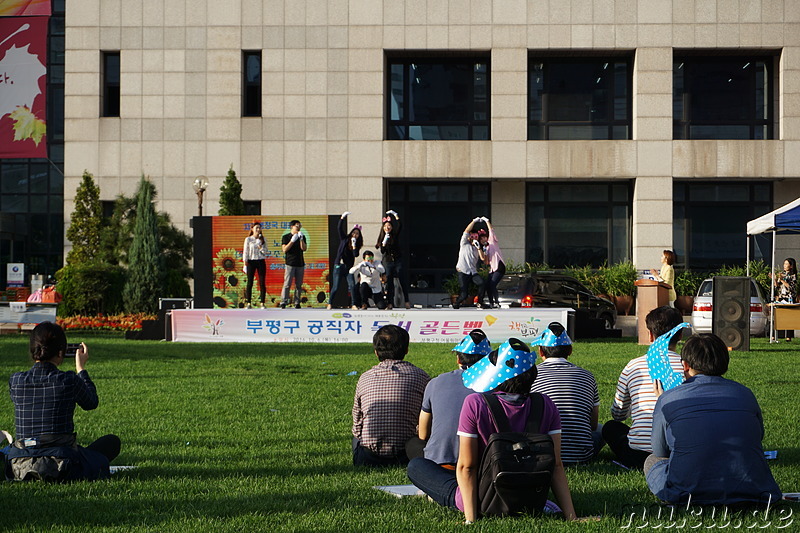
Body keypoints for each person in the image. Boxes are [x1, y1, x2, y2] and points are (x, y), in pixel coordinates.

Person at [407, 338, 577, 523]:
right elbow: (557, 465)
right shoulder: (546, 404)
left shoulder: (476, 403)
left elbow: (467, 467)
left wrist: (470, 520)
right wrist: (571, 516)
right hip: (530, 499)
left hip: (484, 500)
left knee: (417, 466)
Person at [645, 333, 782, 506]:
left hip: (686, 493)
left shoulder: (668, 399)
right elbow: (758, 436)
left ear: (685, 365)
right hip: (753, 490)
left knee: (652, 461)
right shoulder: (745, 394)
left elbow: (659, 451)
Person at [6, 322, 120, 481]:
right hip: (62, 465)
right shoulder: (68, 380)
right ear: (60, 352)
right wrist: (81, 369)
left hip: (20, 464)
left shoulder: (16, 380)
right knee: (111, 442)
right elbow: (91, 402)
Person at [603, 306, 683, 469]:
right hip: (677, 450)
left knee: (611, 427)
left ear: (651, 335)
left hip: (637, 454)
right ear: (680, 335)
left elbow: (618, 414)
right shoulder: (687, 366)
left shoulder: (633, 365)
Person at [406, 329, 492, 465]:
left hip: (440, 464)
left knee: (413, 444)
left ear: (458, 358)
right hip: (480, 463)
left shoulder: (435, 382)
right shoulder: (494, 386)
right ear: (487, 360)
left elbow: (423, 434)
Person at [352, 325, 430, 467]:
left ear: (376, 352)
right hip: (407, 454)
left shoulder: (365, 378)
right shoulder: (421, 377)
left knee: (356, 437)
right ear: (406, 349)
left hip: (369, 457)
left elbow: (357, 425)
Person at [530, 322, 602, 464]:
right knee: (602, 429)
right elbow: (593, 424)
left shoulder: (531, 376)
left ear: (541, 352)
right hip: (581, 455)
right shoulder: (587, 376)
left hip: (542, 453)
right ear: (569, 350)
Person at [375, 210, 411, 309]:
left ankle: (407, 301)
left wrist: (395, 215)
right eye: (386, 226)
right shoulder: (382, 238)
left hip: (398, 260)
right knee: (389, 282)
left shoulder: (395, 235)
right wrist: (384, 242)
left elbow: (400, 225)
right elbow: (382, 251)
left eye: (389, 225)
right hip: (388, 261)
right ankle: (390, 303)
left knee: (401, 278)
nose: (388, 227)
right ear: (383, 228)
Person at [328, 211, 363, 310]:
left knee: (351, 285)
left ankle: (353, 304)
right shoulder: (344, 239)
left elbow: (355, 255)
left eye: (357, 234)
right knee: (336, 286)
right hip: (339, 266)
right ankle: (330, 303)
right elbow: (339, 228)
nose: (355, 235)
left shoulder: (356, 245)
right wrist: (342, 218)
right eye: (354, 233)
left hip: (348, 268)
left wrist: (354, 245)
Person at [453, 218, 486, 309]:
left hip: (472, 271)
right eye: (472, 237)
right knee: (464, 294)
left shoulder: (477, 247)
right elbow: (466, 231)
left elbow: (483, 258)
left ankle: (480, 302)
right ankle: (457, 303)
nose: (474, 239)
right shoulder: (464, 243)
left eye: (476, 237)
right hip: (463, 271)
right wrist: (474, 221)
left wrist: (479, 247)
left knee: (481, 283)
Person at [478, 217, 505, 309]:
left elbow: (491, 230)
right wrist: (484, 252)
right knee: (487, 285)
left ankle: (497, 302)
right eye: (481, 239)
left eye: (484, 237)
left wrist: (487, 221)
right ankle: (491, 303)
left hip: (499, 266)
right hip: (492, 268)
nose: (484, 240)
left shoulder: (492, 242)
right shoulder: (485, 249)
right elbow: (486, 262)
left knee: (493, 284)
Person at [280, 219, 307, 309]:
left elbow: (304, 248)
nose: (299, 227)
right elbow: (284, 249)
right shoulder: (286, 237)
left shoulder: (301, 236)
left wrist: (301, 239)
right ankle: (284, 301)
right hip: (290, 263)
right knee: (287, 283)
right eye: (297, 226)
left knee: (299, 285)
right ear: (292, 226)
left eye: (300, 225)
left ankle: (297, 302)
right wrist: (292, 241)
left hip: (300, 263)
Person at [242, 220, 267, 308]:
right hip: (251, 261)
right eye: (256, 228)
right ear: (252, 229)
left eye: (259, 228)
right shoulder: (248, 239)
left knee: (262, 282)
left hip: (260, 261)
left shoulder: (263, 239)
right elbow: (245, 252)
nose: (258, 229)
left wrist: (260, 246)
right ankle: (248, 303)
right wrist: (245, 264)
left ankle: (262, 303)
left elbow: (265, 253)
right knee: (250, 282)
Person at [773, 257, 797, 341]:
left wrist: (783, 280)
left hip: (789, 297)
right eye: (784, 264)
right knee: (779, 316)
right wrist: (775, 280)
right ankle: (777, 335)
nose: (784, 266)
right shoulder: (782, 274)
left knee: (789, 317)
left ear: (791, 266)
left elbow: (791, 287)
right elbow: (777, 286)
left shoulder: (792, 275)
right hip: (781, 297)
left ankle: (789, 336)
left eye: (786, 264)